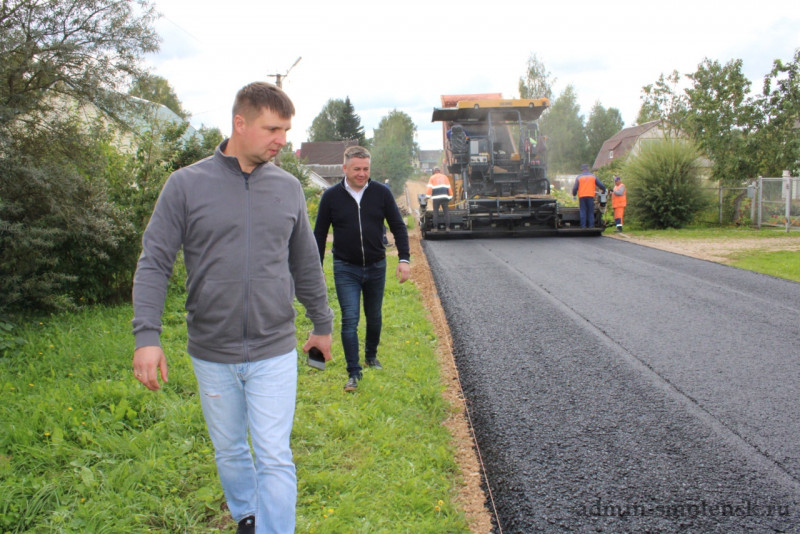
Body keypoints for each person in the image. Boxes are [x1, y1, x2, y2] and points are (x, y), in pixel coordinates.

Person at [131, 82, 334, 534]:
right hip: (212, 351)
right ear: (240, 124)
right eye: (272, 129)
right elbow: (155, 261)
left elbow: (305, 262)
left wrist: (322, 323)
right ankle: (247, 514)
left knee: (275, 455)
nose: (282, 140)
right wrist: (147, 336)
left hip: (273, 347)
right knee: (230, 450)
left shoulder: (288, 188)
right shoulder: (185, 185)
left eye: (286, 130)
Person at [313, 146, 411, 392]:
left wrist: (404, 259)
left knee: (374, 316)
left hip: (376, 265)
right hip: (346, 267)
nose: (362, 173)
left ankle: (371, 356)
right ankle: (353, 372)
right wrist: (316, 268)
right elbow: (319, 234)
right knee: (350, 318)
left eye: (366, 169)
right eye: (356, 169)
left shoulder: (381, 193)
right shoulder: (331, 197)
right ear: (344, 168)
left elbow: (398, 226)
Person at [571, 164, 607, 229]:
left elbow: (575, 188)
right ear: (588, 169)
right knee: (590, 211)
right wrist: (604, 190)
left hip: (582, 196)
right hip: (590, 196)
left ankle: (583, 226)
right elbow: (600, 185)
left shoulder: (579, 177)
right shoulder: (593, 177)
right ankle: (591, 226)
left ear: (582, 170)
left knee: (583, 211)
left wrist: (574, 194)